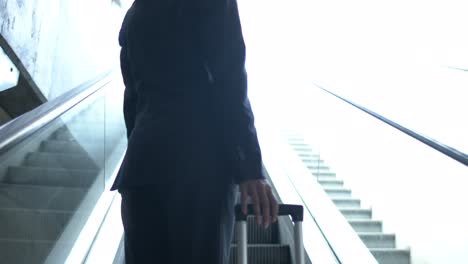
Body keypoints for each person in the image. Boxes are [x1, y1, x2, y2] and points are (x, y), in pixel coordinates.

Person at [110, 0, 278, 263]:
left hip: (141, 169)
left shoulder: (136, 12)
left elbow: (132, 100)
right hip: (200, 166)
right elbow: (229, 80)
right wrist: (249, 168)